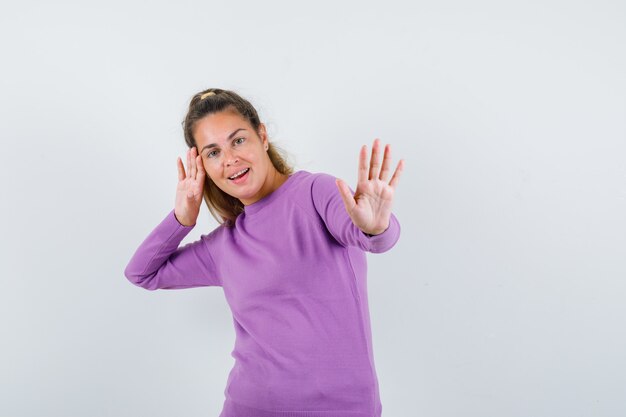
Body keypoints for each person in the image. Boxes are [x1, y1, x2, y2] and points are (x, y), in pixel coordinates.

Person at [124, 88, 404, 417]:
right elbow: (142, 273)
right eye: (213, 153)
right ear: (203, 167)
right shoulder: (224, 245)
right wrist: (182, 218)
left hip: (342, 408)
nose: (229, 159)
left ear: (262, 135)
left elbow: (372, 237)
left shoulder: (315, 193)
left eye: (238, 140)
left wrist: (375, 227)